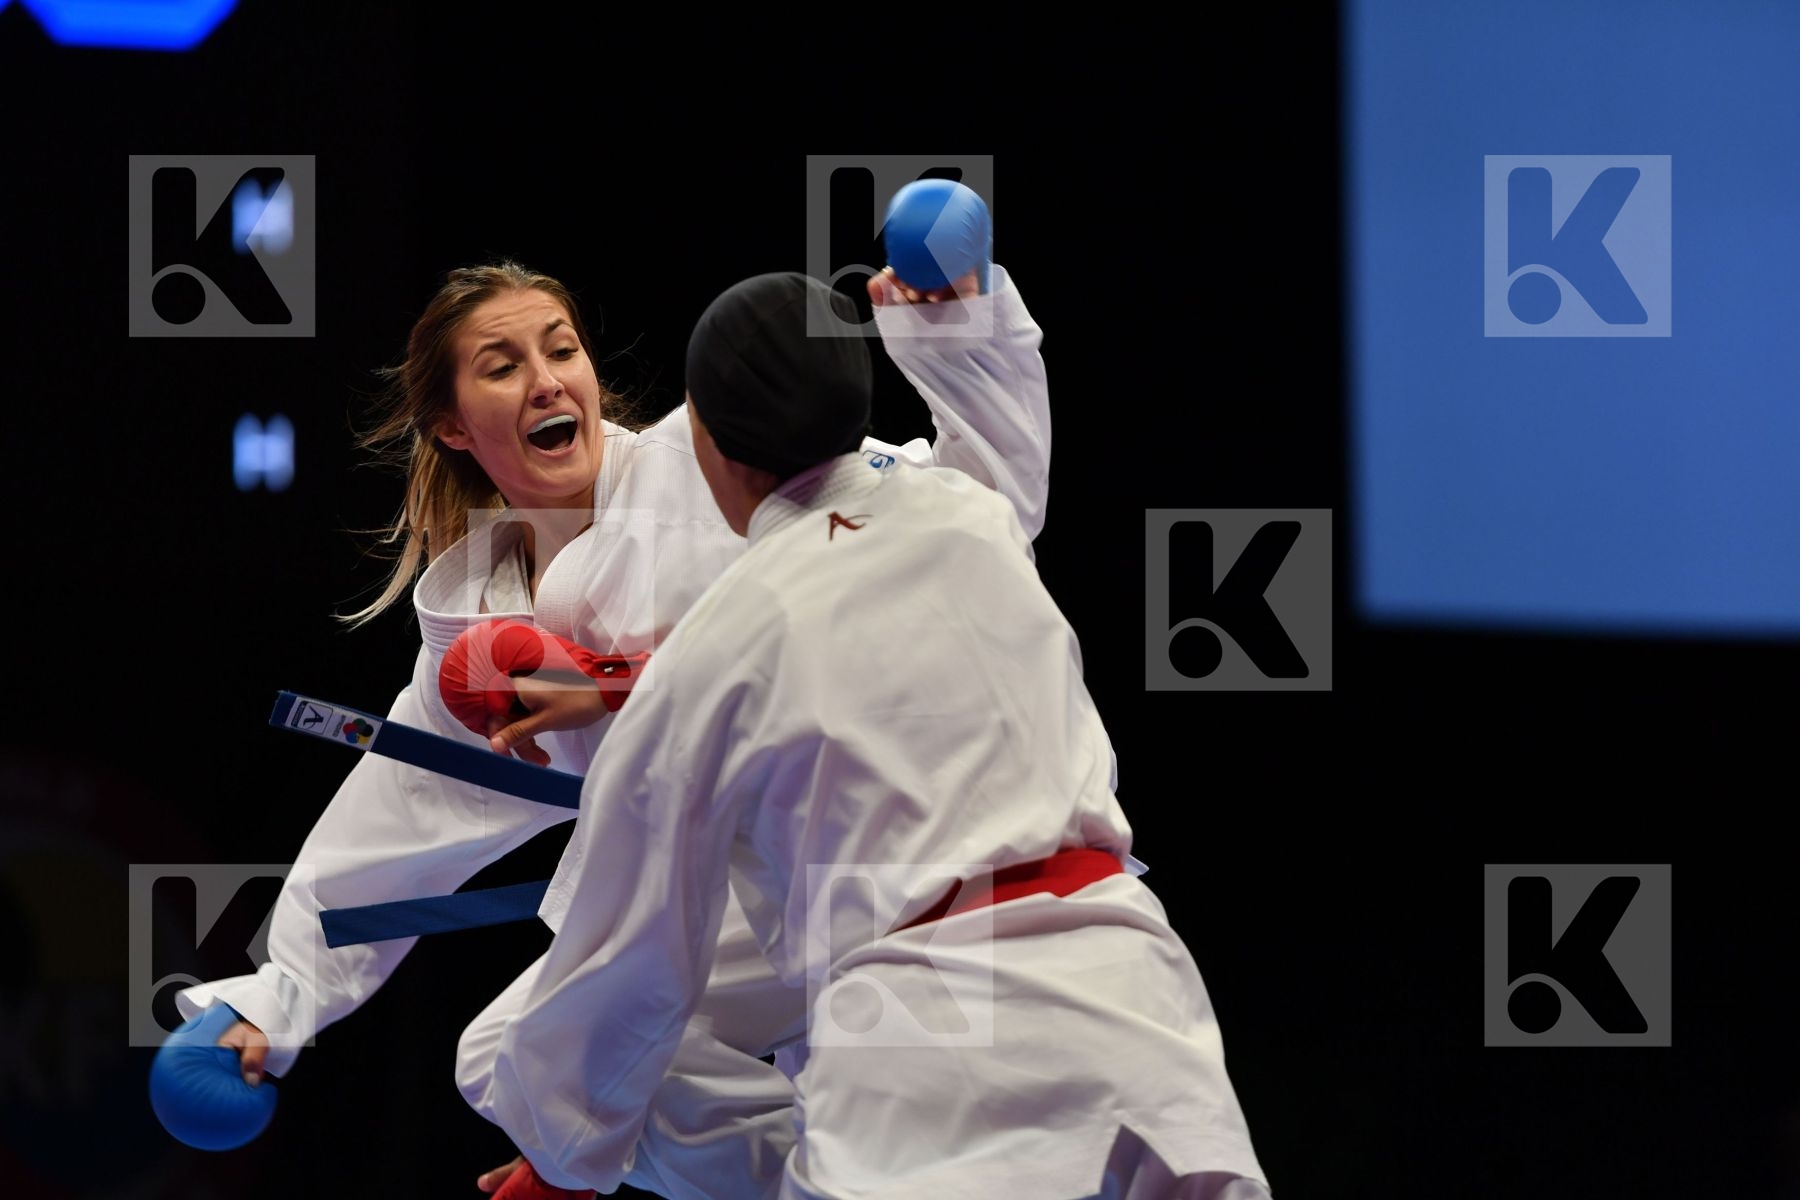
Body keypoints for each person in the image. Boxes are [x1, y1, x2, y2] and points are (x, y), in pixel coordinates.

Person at [170, 255, 1052, 1198]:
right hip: (761, 904)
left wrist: (963, 335)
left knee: (561, 1060)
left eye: (562, 349)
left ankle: (886, 1158)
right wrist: (275, 1001)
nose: (548, 379)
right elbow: (384, 843)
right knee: (515, 1061)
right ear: (453, 425)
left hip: (908, 843)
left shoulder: (715, 456)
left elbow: (973, 512)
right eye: (503, 365)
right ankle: (835, 1175)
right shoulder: (478, 647)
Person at [484, 272, 1272, 1199]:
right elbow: (1006, 438)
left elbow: (633, 956)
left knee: (503, 1056)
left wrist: (568, 1152)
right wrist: (948, 326)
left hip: (925, 1051)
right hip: (1136, 1015)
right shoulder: (977, 516)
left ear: (711, 449)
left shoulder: (712, 650)